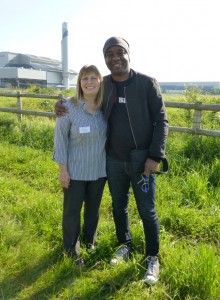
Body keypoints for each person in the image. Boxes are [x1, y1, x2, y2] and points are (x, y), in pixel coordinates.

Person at [55, 37, 169, 284]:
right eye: (110, 54)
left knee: (147, 210)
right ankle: (125, 245)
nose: (115, 58)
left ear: (129, 54)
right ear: (105, 58)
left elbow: (162, 121)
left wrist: (155, 156)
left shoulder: (148, 84)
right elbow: (81, 95)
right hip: (113, 162)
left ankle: (152, 257)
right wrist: (60, 104)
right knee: (119, 207)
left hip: (142, 162)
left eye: (120, 53)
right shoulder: (103, 84)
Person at [53, 64, 107, 266]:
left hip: (100, 171)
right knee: (72, 211)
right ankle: (71, 251)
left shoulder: (105, 107)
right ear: (79, 82)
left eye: (94, 78)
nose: (89, 82)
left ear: (100, 81)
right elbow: (60, 141)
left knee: (93, 210)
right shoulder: (67, 107)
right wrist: (63, 171)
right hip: (75, 172)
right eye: (85, 78)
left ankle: (89, 242)